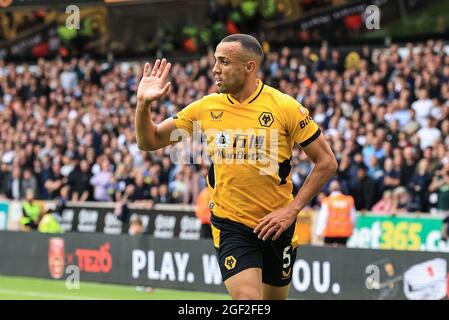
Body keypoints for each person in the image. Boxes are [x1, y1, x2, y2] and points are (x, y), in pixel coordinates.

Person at [135, 34, 337, 300]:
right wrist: (143, 105)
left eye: (224, 61)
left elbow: (326, 162)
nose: (215, 69)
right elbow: (150, 141)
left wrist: (291, 211)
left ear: (249, 67)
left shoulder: (285, 107)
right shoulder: (205, 108)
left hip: (277, 225)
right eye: (215, 61)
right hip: (232, 224)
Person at [315, 180, 356, 246]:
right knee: (342, 254)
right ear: (340, 188)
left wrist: (319, 231)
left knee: (328, 254)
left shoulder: (327, 201)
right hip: (344, 232)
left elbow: (323, 217)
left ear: (330, 189)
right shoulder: (349, 200)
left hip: (330, 231)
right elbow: (353, 217)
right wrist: (352, 229)